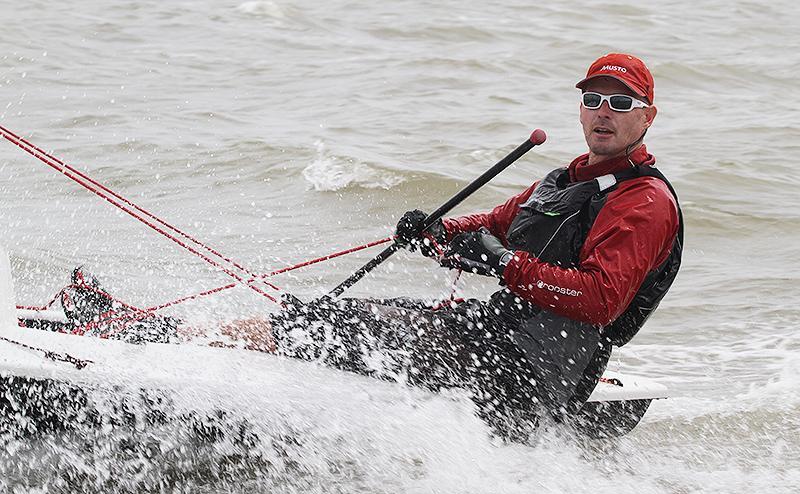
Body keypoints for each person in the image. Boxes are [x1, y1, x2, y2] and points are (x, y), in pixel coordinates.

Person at [40, 53, 683, 443]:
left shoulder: (644, 202)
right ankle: (147, 328)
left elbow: (600, 300)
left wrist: (502, 263)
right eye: (593, 99)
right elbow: (493, 226)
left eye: (620, 103)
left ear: (645, 115)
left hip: (527, 375)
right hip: (497, 338)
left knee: (319, 327)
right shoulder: (569, 180)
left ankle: (137, 332)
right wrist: (435, 234)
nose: (603, 111)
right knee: (318, 319)